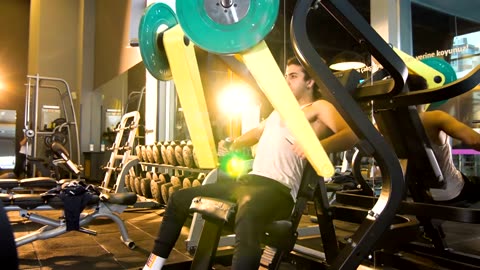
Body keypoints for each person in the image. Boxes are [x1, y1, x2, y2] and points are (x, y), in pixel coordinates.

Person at [141, 57, 358, 270]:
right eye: (285, 76)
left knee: (247, 210)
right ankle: (153, 266)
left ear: (310, 82)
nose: (286, 81)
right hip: (248, 182)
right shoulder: (279, 112)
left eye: (293, 76)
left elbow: (352, 134)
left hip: (278, 190)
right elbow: (256, 133)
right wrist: (232, 143)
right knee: (179, 199)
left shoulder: (318, 107)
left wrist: (317, 148)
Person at [407, 73, 480, 203]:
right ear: (424, 94)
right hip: (451, 192)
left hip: (417, 194)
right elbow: (475, 141)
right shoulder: (435, 118)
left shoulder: (385, 125)